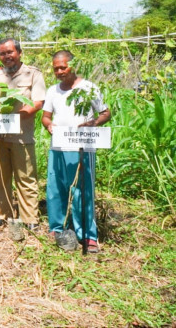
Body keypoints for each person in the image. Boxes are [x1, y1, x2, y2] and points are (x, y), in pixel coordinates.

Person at [41, 50, 110, 253]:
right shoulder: (53, 91)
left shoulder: (88, 88)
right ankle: (57, 228)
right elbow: (45, 116)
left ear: (73, 65)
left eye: (63, 67)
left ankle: (88, 235)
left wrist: (93, 122)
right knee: (56, 188)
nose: (60, 71)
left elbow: (106, 113)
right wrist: (49, 125)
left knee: (82, 190)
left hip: (82, 148)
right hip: (58, 146)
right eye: (56, 68)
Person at [0, 38, 46, 230]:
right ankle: (2, 215)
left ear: (19, 53)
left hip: (22, 136)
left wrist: (11, 119)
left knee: (26, 177)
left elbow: (37, 103)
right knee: (0, 177)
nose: (6, 57)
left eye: (10, 52)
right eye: (2, 53)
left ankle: (30, 219)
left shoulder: (33, 74)